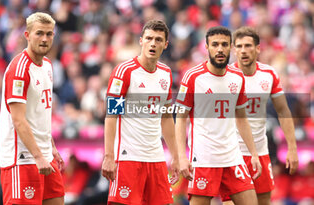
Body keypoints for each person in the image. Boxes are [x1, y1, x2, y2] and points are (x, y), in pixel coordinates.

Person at [175, 26, 262, 205]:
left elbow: (241, 118)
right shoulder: (192, 77)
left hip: (232, 157)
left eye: (224, 44)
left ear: (231, 47)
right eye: (215, 44)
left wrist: (254, 153)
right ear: (207, 48)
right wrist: (182, 157)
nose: (220, 49)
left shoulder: (237, 77)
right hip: (204, 158)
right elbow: (180, 119)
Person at [101, 20, 180, 205]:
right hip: (128, 157)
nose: (153, 43)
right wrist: (109, 156)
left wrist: (176, 157)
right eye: (149, 38)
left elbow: (167, 117)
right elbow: (112, 115)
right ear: (141, 41)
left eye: (158, 40)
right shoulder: (124, 71)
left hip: (156, 158)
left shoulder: (166, 73)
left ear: (165, 44)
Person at [222, 26, 298, 205]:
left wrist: (292, 148)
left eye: (248, 46)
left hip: (261, 152)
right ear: (234, 50)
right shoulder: (226, 76)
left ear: (258, 48)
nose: (243, 51)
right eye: (239, 46)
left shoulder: (269, 74)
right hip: (233, 154)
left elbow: (283, 111)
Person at [0, 12, 64, 205]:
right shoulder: (19, 70)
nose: (44, 39)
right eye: (39, 33)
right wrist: (38, 156)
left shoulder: (48, 66)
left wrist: (51, 147)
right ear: (27, 35)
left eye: (49, 34)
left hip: (44, 155)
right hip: (22, 159)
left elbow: (39, 114)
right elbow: (18, 119)